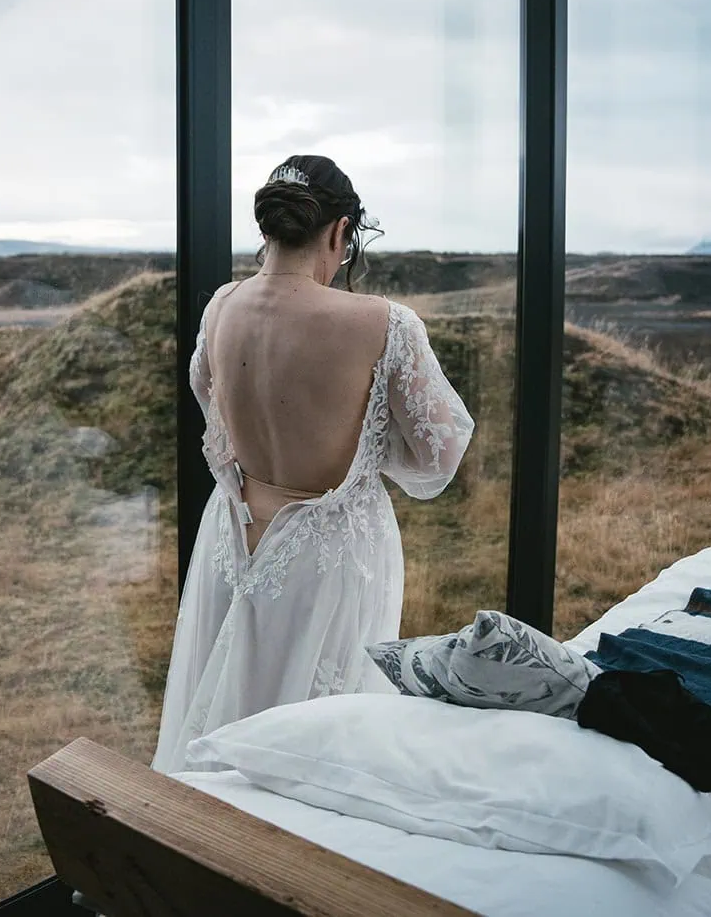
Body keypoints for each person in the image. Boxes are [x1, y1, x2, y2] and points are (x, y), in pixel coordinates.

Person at [151, 155, 475, 774]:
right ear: (339, 232)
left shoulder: (222, 305)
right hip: (327, 557)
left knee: (222, 705)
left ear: (270, 228)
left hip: (231, 533)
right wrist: (370, 440)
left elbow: (208, 396)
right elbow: (440, 452)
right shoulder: (384, 323)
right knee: (316, 741)